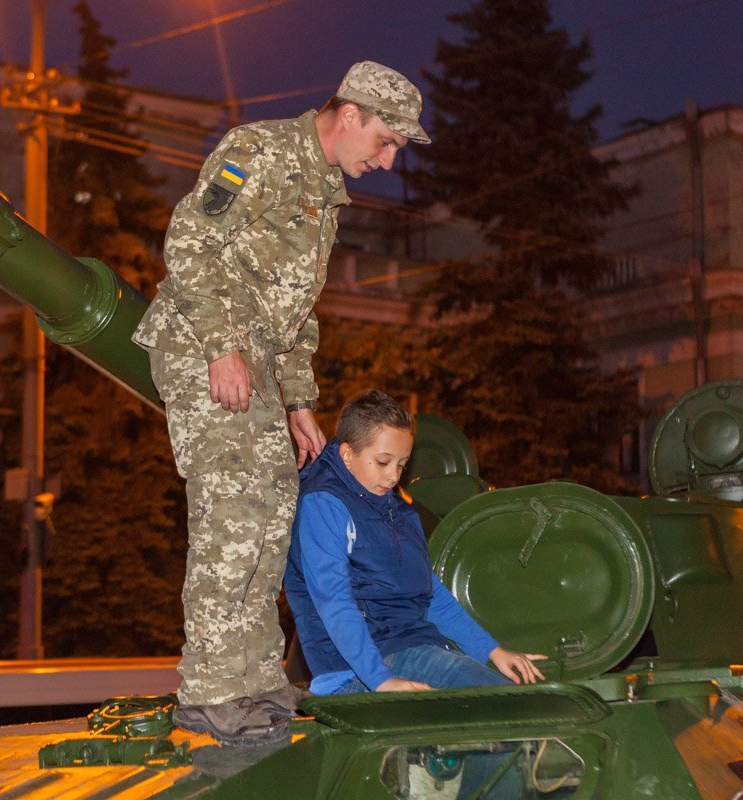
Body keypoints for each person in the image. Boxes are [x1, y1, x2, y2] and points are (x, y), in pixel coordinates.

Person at [132, 62, 432, 746]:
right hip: (202, 344)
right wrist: (221, 347)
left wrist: (299, 400)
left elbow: (294, 310)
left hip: (260, 362)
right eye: (385, 142)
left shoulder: (325, 192)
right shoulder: (258, 151)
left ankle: (255, 679)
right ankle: (212, 690)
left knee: (272, 508)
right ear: (350, 115)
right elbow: (191, 242)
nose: (387, 161)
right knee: (233, 510)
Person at [285, 390, 547, 697]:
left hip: (411, 647)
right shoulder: (323, 503)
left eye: (402, 464)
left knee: (515, 698)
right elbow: (334, 602)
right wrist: (380, 680)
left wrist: (491, 651)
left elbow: (428, 593)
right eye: (383, 462)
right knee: (510, 706)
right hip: (360, 666)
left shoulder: (393, 508)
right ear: (346, 454)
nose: (393, 476)